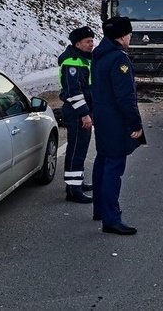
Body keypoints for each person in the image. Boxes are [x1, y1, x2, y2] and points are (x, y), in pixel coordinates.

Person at [91, 16, 146, 235]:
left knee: (102, 161)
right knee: (114, 168)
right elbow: (125, 97)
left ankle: (100, 209)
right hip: (116, 122)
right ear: (122, 36)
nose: (130, 38)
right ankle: (111, 219)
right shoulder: (119, 60)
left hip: (103, 119)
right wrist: (135, 123)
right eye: (129, 34)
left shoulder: (99, 55)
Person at [58, 25, 96, 204]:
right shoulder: (72, 63)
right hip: (77, 113)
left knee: (80, 150)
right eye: (88, 41)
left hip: (82, 112)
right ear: (78, 43)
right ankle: (73, 191)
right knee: (75, 151)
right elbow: (73, 92)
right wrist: (84, 114)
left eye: (92, 41)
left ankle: (77, 183)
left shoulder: (82, 59)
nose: (92, 44)